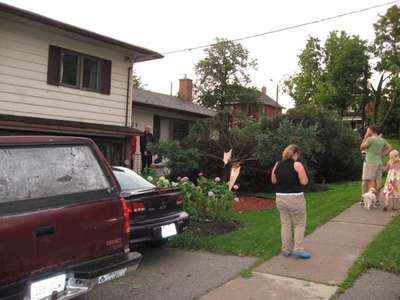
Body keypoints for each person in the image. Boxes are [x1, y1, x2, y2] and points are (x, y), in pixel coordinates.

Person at [271, 144, 311, 259]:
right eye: (297, 154)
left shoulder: (277, 164)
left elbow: (273, 180)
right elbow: (304, 182)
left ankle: (286, 249)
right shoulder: (297, 165)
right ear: (295, 154)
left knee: (285, 224)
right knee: (299, 224)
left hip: (280, 197)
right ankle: (298, 249)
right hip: (295, 198)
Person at [360, 125, 392, 196]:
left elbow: (361, 147)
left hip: (370, 162)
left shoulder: (370, 139)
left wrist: (365, 136)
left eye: (368, 130)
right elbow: (390, 147)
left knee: (366, 180)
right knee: (378, 180)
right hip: (379, 162)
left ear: (371, 130)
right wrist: (383, 154)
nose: (367, 131)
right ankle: (376, 199)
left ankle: (364, 198)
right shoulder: (382, 140)